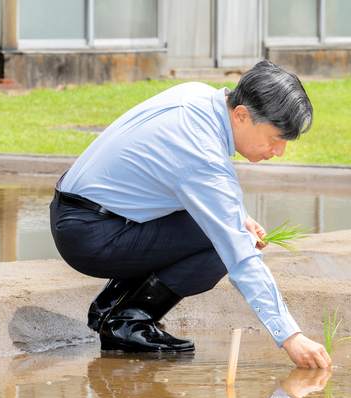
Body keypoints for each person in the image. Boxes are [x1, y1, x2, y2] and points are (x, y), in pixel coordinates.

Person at [50, 61, 332, 369]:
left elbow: (186, 179)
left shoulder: (198, 96)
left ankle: (108, 306)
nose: (279, 151)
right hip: (90, 234)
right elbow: (240, 256)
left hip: (82, 213)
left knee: (227, 226)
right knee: (225, 242)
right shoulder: (202, 152)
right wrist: (291, 337)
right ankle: (127, 322)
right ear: (241, 115)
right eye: (275, 138)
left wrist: (239, 216)